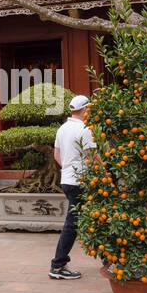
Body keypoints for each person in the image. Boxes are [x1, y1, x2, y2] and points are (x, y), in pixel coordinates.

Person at [49, 94, 96, 280]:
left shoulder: (62, 128)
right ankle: (58, 265)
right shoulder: (85, 129)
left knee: (85, 220)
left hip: (67, 180)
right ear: (84, 110)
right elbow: (93, 158)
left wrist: (69, 169)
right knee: (72, 224)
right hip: (81, 182)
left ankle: (110, 259)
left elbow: (57, 156)